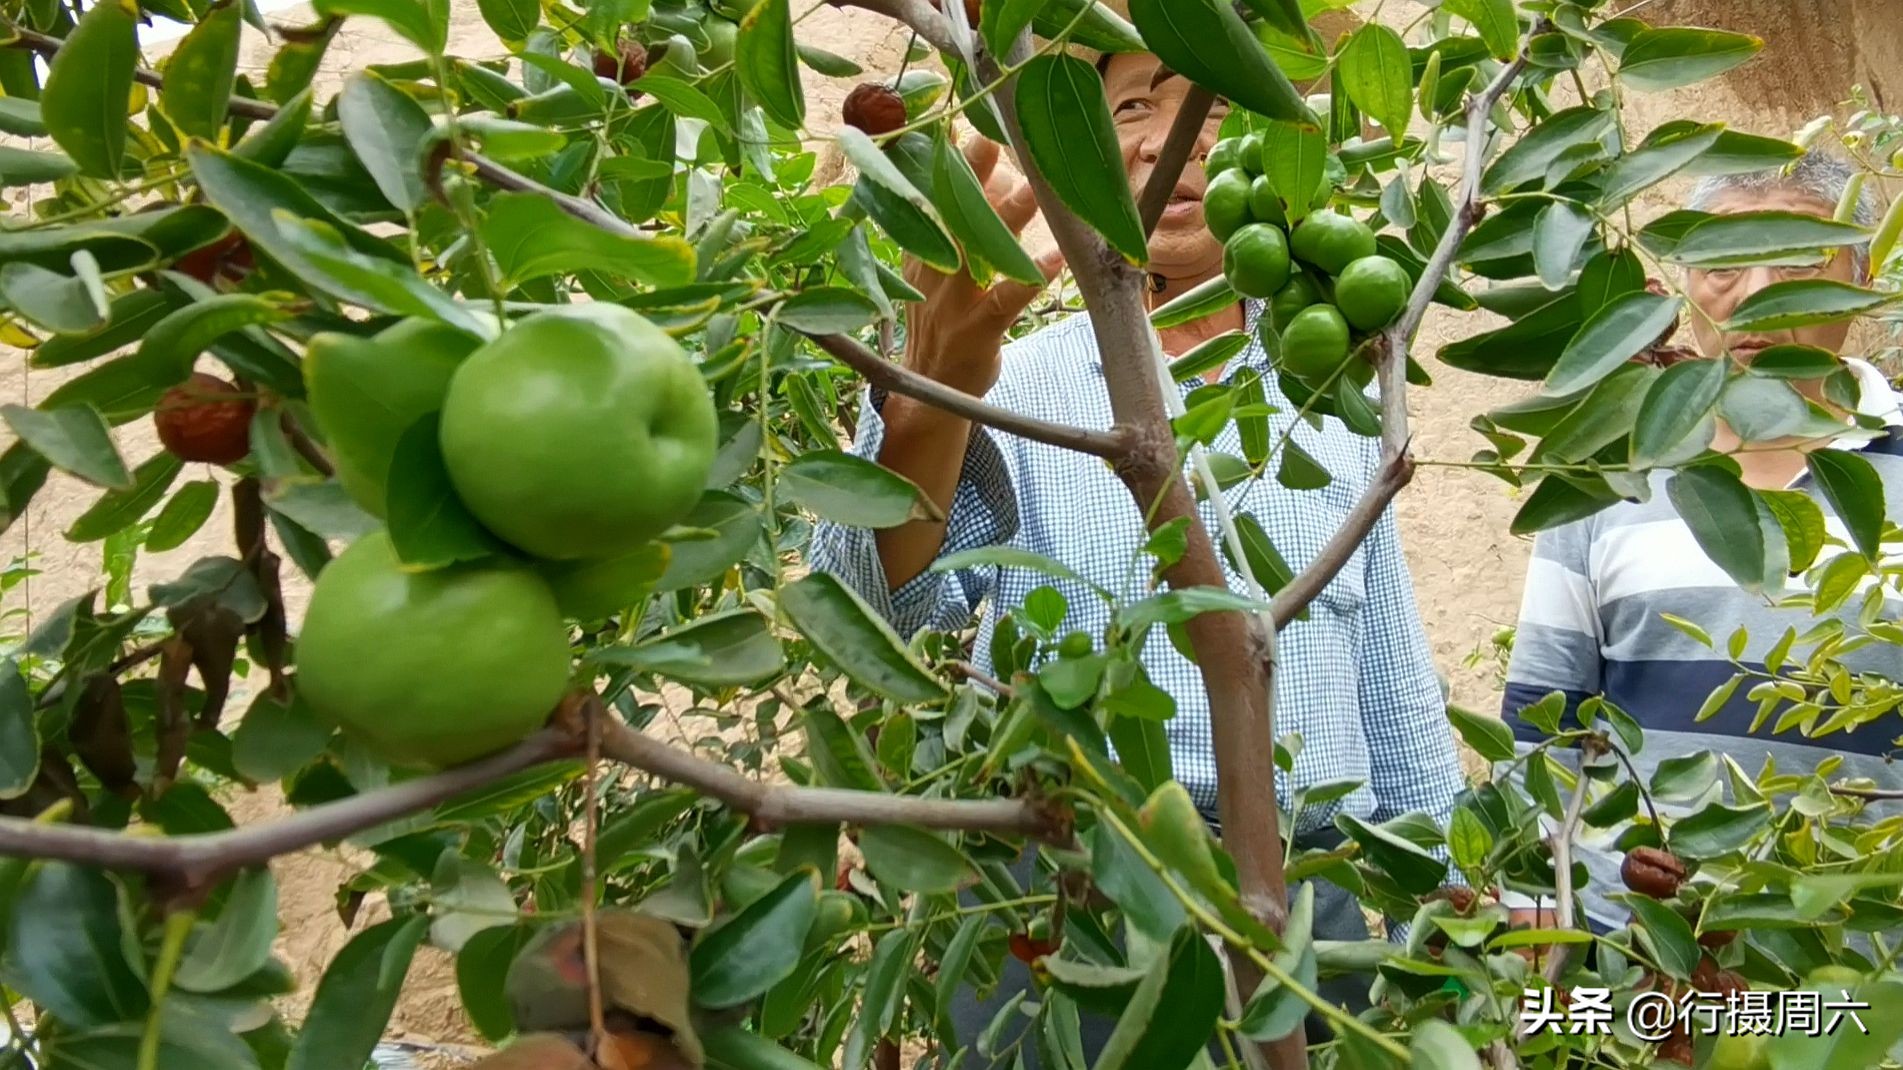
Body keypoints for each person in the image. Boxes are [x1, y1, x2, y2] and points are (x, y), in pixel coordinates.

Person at [807, 35, 1468, 1063]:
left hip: (1309, 894)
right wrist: (930, 385)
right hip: (1073, 893)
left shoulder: (1337, 392)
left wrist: (1455, 892)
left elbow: (1388, 668)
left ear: (1274, 151)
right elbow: (883, 611)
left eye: (1203, 104)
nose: (1170, 138)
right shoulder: (1016, 382)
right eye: (1124, 110)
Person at [1499, 152, 1903, 936]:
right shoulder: (1607, 471)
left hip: (1864, 959)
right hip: (1644, 958)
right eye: (1721, 262)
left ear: (1858, 279)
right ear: (1684, 280)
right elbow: (1542, 726)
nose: (1752, 295)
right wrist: (1536, 913)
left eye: (1791, 259)